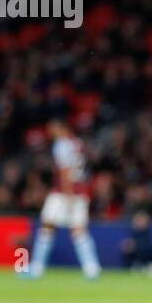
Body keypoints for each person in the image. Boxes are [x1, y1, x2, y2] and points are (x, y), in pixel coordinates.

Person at [26, 119, 101, 280]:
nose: (50, 133)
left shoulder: (61, 145)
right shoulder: (77, 143)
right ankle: (92, 269)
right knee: (78, 229)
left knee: (47, 224)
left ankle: (36, 269)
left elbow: (65, 170)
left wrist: (68, 195)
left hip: (64, 192)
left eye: (52, 128)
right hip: (79, 191)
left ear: (62, 127)